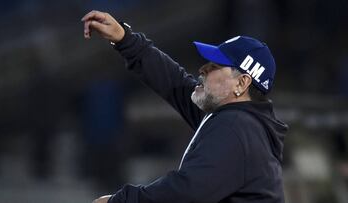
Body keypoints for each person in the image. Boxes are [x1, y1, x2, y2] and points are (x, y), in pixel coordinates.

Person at [82, 10, 288, 203]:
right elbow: (176, 84)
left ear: (241, 83)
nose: (203, 69)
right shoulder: (239, 121)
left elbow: (186, 192)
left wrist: (121, 201)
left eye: (215, 66)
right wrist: (126, 40)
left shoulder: (236, 128)